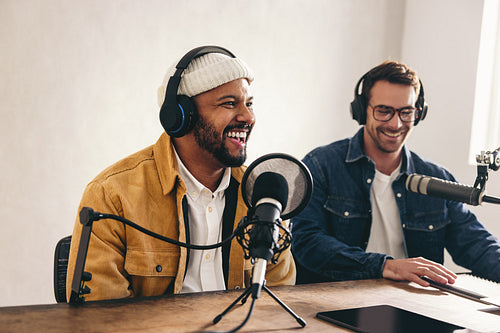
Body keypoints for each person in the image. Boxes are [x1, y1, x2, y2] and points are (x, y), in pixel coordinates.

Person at [66, 46, 295, 302]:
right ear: (180, 116)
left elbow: (279, 300)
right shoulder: (112, 195)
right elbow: (102, 315)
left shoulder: (263, 197)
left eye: (249, 104)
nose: (248, 117)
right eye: (230, 104)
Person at [291, 60, 500, 287]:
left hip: (411, 305)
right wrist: (385, 266)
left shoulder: (436, 179)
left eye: (406, 112)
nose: (395, 123)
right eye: (384, 111)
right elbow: (307, 242)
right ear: (362, 111)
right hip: (336, 301)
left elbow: (476, 245)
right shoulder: (320, 166)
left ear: (419, 113)